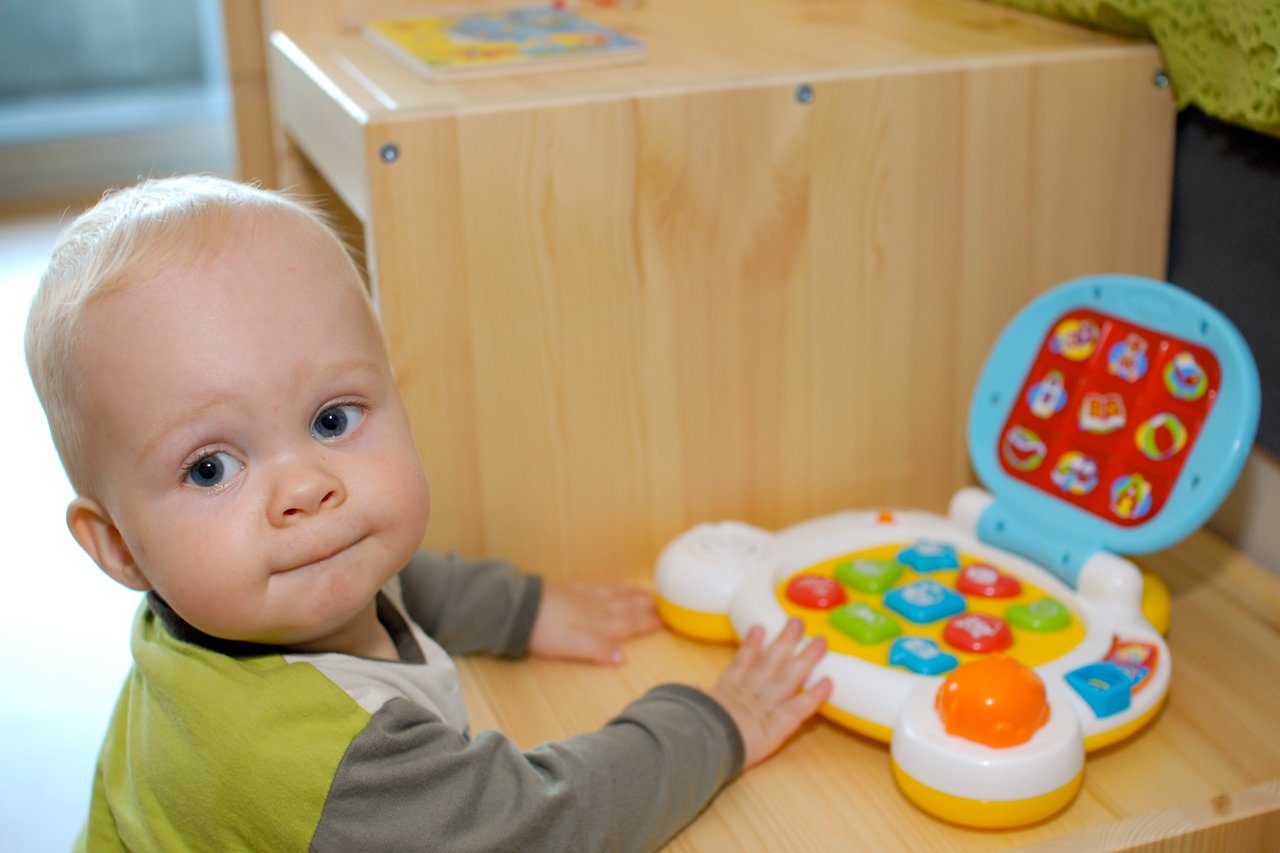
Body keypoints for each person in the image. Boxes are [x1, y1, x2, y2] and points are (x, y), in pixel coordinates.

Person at [25, 174, 833, 851]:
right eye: (210, 468)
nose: (306, 486)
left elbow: (402, 579)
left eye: (332, 418)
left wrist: (522, 607)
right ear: (118, 547)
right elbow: (541, 822)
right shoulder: (321, 761)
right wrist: (716, 720)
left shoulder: (256, 593)